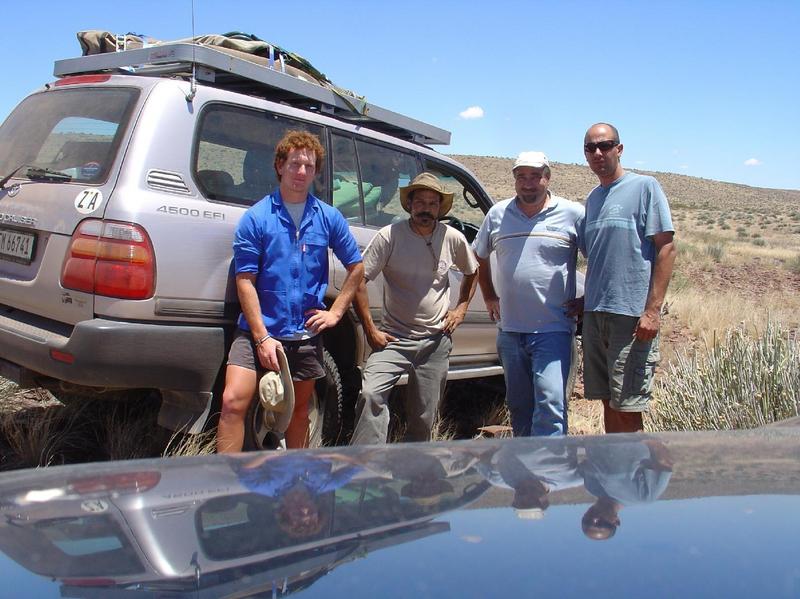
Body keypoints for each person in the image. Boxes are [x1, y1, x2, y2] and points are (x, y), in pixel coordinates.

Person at [217, 130, 364, 452]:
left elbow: (357, 268)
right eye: (295, 164)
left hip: (304, 336)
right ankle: (224, 484)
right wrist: (262, 337)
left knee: (298, 412)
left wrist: (336, 312)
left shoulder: (328, 218)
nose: (301, 172)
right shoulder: (257, 218)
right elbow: (245, 280)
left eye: (308, 166)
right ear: (280, 166)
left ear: (316, 172)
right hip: (258, 333)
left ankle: (296, 484)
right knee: (232, 403)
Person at [350, 172, 478, 445]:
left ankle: (412, 475)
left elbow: (472, 270)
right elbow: (358, 280)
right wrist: (371, 330)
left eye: (433, 203)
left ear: (440, 209)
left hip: (435, 341)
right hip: (394, 339)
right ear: (409, 205)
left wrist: (461, 309)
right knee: (371, 394)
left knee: (423, 418)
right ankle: (365, 466)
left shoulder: (452, 238)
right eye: (420, 202)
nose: (426, 209)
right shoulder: (389, 236)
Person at [472, 152, 584, 436]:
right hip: (510, 331)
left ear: (548, 178)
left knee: (550, 403)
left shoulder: (572, 214)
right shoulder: (498, 214)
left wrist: (588, 298)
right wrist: (489, 295)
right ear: (514, 180)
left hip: (554, 329)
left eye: (535, 176)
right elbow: (479, 256)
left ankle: (550, 473)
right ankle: (526, 471)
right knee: (520, 406)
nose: (528, 183)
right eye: (521, 176)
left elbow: (598, 256)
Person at [575, 123, 677, 433]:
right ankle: (614, 468)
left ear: (619, 149)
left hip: (631, 317)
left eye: (605, 145)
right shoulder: (593, 199)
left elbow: (667, 248)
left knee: (628, 403)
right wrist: (585, 300)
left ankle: (633, 475)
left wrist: (652, 310)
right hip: (596, 314)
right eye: (590, 148)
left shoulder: (645, 187)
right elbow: (603, 257)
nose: (597, 153)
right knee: (607, 399)